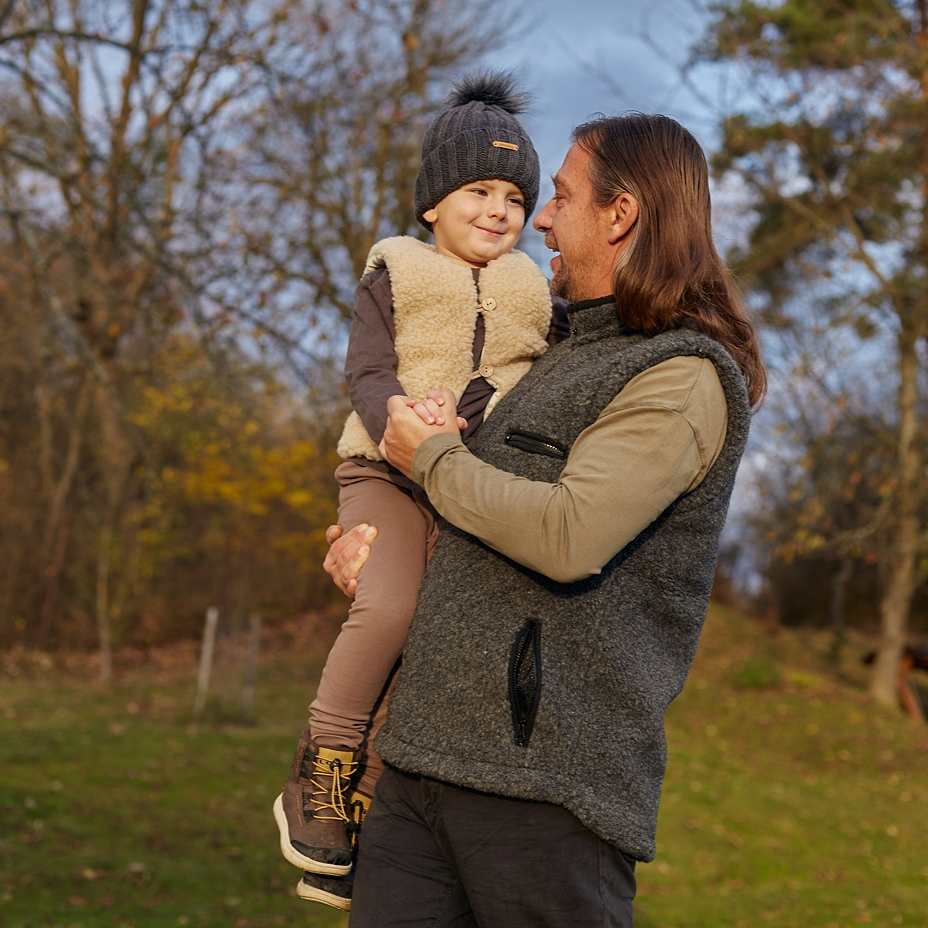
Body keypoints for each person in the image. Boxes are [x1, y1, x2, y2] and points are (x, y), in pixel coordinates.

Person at [325, 113, 766, 927]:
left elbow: (567, 534)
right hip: (418, 765)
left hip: (544, 794)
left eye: (559, 196)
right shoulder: (543, 356)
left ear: (621, 214)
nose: (540, 218)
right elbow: (470, 508)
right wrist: (381, 552)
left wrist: (428, 458)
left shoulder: (680, 376)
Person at [273, 71, 568, 911]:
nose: (499, 209)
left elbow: (526, 380)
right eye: (478, 189)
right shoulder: (395, 271)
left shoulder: (533, 291)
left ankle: (356, 797)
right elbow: (365, 368)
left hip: (467, 483)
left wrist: (468, 420)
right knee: (391, 605)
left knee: (435, 632)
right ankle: (324, 758)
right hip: (383, 471)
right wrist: (404, 419)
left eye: (515, 195)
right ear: (434, 202)